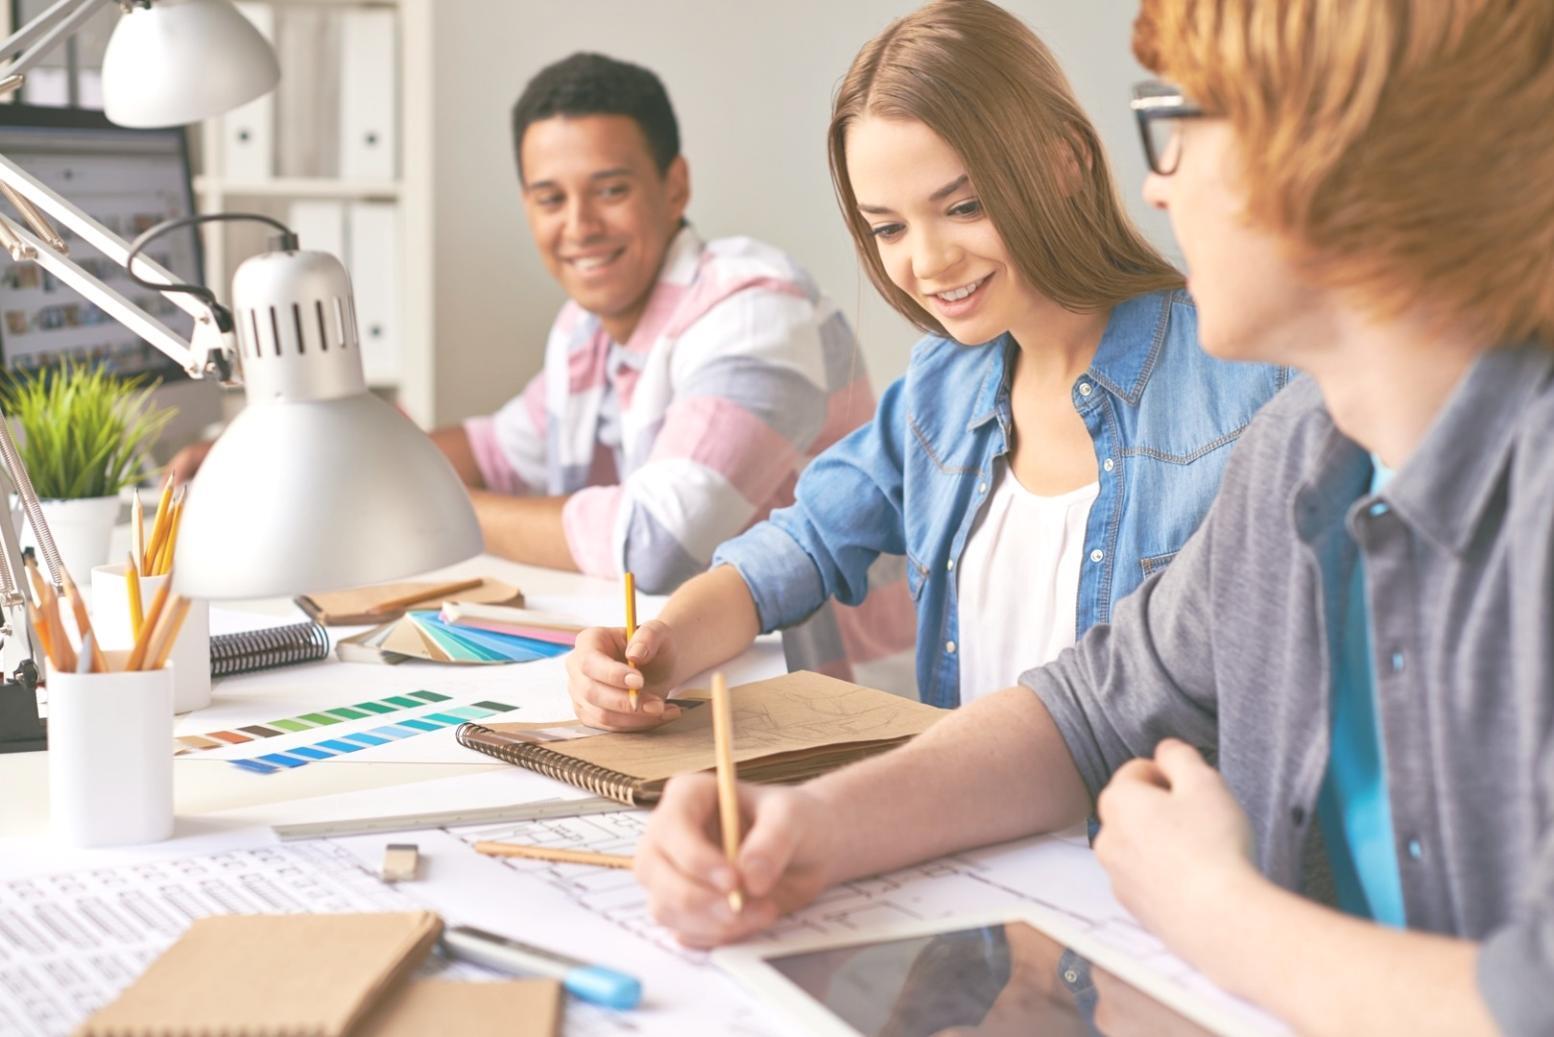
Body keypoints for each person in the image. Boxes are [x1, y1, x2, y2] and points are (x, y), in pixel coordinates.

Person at [630, 0, 1554, 1034]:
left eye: (1179, 124)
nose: (1155, 182)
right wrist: (812, 826)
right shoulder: (1301, 453)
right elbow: (1086, 711)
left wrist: (1217, 906)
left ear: (1336, 157)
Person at [564, 0, 1285, 729]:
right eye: (888, 228)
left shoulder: (1254, 380)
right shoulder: (942, 387)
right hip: (956, 802)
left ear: (1067, 161)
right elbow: (797, 546)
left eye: (964, 207)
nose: (929, 261)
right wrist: (658, 646)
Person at [170, 52, 880, 599]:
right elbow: (495, 451)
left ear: (675, 186)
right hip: (689, 678)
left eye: (610, 189)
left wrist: (419, 508)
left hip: (825, 705)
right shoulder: (584, 330)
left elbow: (654, 547)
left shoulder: (753, 310)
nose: (579, 226)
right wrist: (289, 467)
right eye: (550, 198)